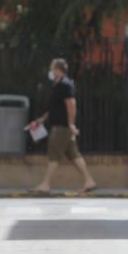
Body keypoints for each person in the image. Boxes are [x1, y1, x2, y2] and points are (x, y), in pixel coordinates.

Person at [28, 58, 97, 194]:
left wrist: (71, 124)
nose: (51, 71)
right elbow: (54, 108)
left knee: (54, 155)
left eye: (52, 68)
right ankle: (89, 181)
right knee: (74, 155)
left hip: (61, 127)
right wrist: (41, 120)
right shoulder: (59, 85)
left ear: (57, 70)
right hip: (62, 127)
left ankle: (46, 184)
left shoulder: (65, 85)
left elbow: (71, 105)